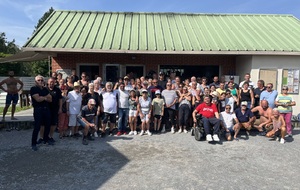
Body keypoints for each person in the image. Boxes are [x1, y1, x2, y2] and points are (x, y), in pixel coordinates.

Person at [30, 75, 53, 151]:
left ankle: (45, 140)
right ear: (35, 81)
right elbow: (38, 99)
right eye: (38, 80)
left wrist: (42, 97)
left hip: (46, 109)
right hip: (38, 110)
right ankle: (34, 143)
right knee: (37, 127)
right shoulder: (33, 89)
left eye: (42, 80)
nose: (40, 81)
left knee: (48, 125)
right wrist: (45, 97)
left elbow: (50, 99)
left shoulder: (45, 89)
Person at [45, 77, 62, 143]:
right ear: (48, 82)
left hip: (55, 109)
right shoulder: (44, 89)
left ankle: (50, 136)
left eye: (53, 82)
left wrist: (60, 108)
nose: (51, 83)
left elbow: (60, 99)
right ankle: (45, 137)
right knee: (46, 123)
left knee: (54, 123)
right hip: (46, 109)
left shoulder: (57, 90)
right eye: (50, 81)